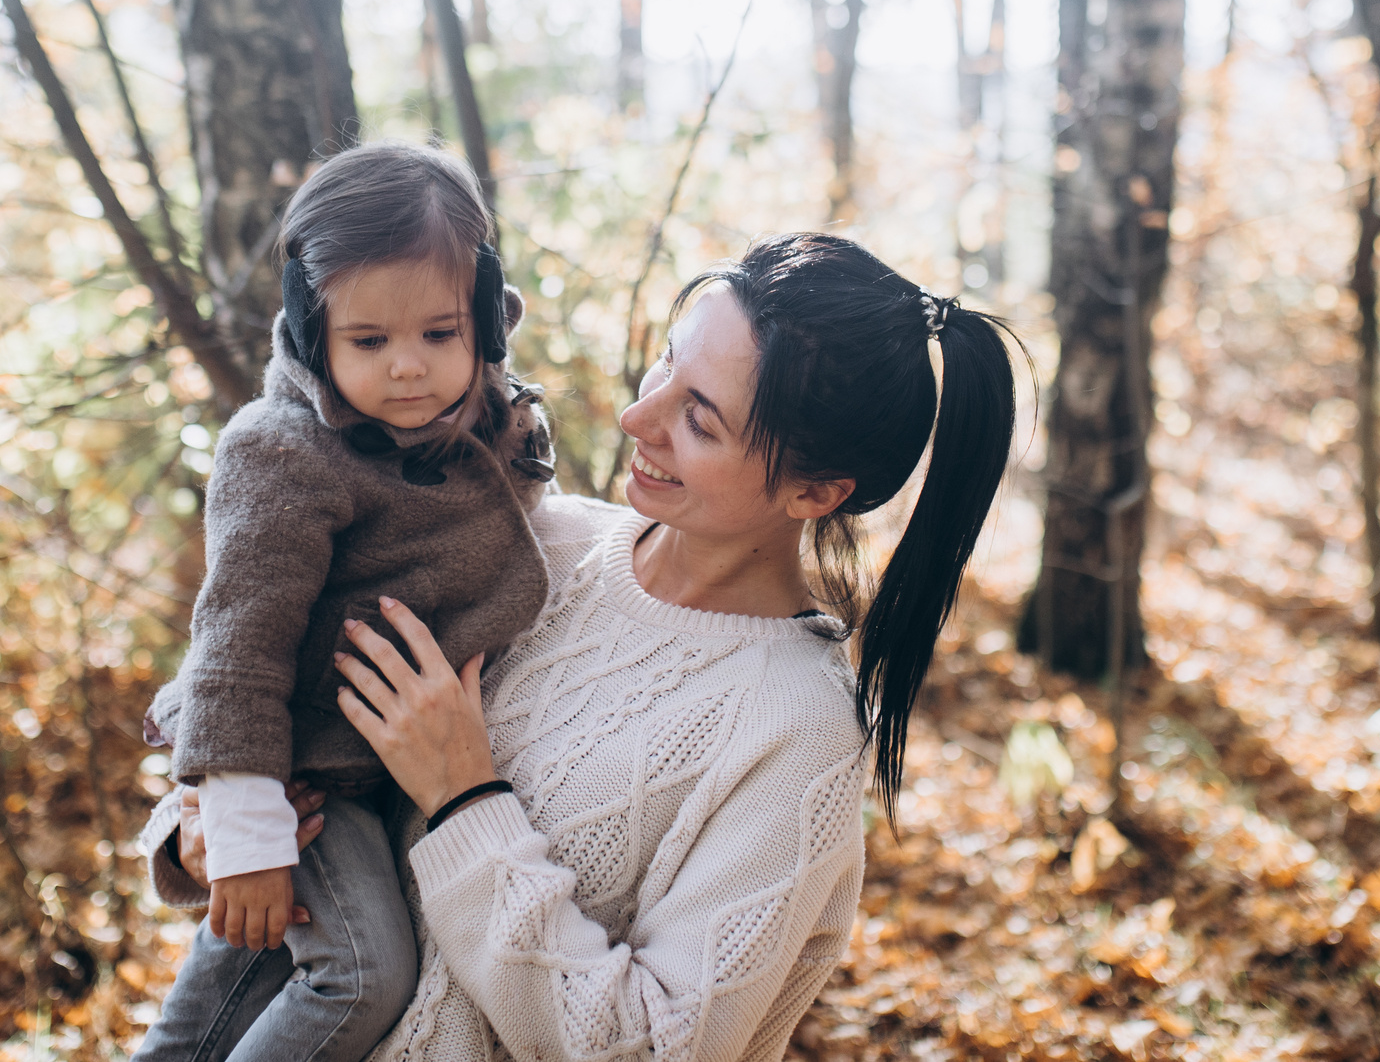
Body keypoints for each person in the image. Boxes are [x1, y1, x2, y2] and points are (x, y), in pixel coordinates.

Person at [162, 231, 1020, 1061]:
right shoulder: (535, 541)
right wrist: (207, 826)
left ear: (814, 490)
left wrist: (464, 800)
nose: (635, 414)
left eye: (701, 419)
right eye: (666, 363)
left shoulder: (797, 737)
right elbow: (260, 667)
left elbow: (652, 1046)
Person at [130, 142, 556, 1062]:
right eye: (369, 342)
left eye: (439, 334)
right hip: (292, 768)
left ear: (483, 316)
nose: (409, 367)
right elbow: (237, 647)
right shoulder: (284, 454)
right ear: (309, 329)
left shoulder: (487, 419)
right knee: (359, 972)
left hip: (365, 775)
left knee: (219, 998)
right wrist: (244, 829)